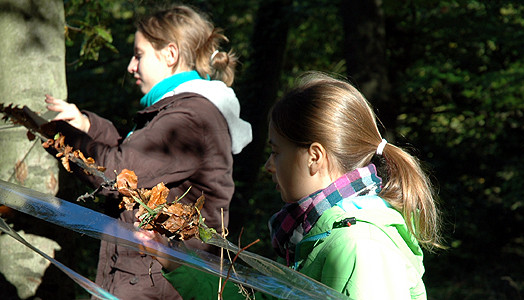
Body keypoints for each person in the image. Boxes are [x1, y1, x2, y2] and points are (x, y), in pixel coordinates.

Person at [154, 72, 443, 299]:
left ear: (314, 157)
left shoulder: (359, 247)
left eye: (277, 151)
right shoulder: (319, 236)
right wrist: (177, 263)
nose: (269, 165)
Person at [43, 4, 252, 300]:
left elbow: (119, 174)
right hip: (147, 279)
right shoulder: (177, 113)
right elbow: (136, 164)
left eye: (139, 55)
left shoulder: (190, 118)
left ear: (170, 54)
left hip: (159, 284)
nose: (131, 66)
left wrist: (56, 133)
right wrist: (87, 125)